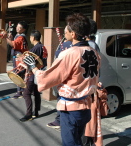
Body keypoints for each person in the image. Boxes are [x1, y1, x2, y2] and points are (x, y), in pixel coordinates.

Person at [23, 13, 101, 146]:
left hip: (71, 109)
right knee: (78, 140)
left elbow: (47, 78)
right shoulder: (94, 52)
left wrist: (33, 67)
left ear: (73, 34)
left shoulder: (69, 54)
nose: (64, 31)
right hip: (86, 106)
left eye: (67, 29)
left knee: (70, 143)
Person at [19, 30, 47, 122]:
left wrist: (23, 64)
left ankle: (29, 114)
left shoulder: (35, 48)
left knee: (26, 93)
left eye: (30, 37)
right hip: (40, 72)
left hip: (33, 74)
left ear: (33, 38)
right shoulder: (42, 47)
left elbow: (29, 62)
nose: (30, 39)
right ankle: (36, 111)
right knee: (36, 92)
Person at [6, 21, 29, 99]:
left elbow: (14, 44)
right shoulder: (18, 36)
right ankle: (22, 90)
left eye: (20, 27)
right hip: (19, 57)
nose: (17, 28)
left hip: (19, 58)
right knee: (20, 74)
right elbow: (14, 43)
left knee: (18, 74)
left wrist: (6, 38)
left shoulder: (21, 37)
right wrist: (11, 38)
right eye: (17, 26)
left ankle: (20, 91)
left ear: (23, 29)